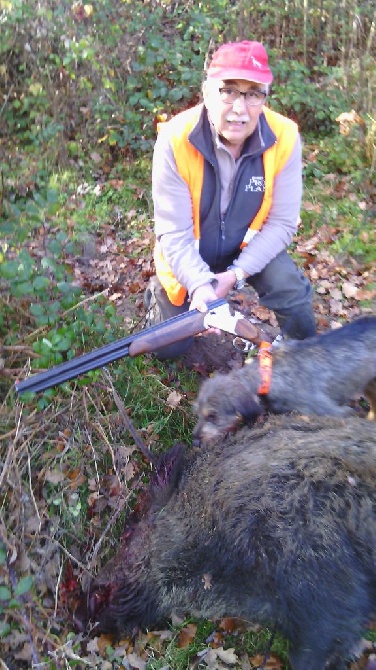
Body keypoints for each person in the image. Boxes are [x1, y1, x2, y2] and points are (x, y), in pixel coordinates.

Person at [145, 40, 317, 358]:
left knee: (292, 292)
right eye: (229, 91)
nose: (240, 109)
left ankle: (301, 358)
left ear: (265, 97)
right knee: (167, 349)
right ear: (207, 92)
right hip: (190, 252)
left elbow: (281, 224)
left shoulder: (285, 137)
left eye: (253, 94)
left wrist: (236, 275)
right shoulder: (174, 138)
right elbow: (173, 233)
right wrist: (199, 285)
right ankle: (159, 302)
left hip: (246, 248)